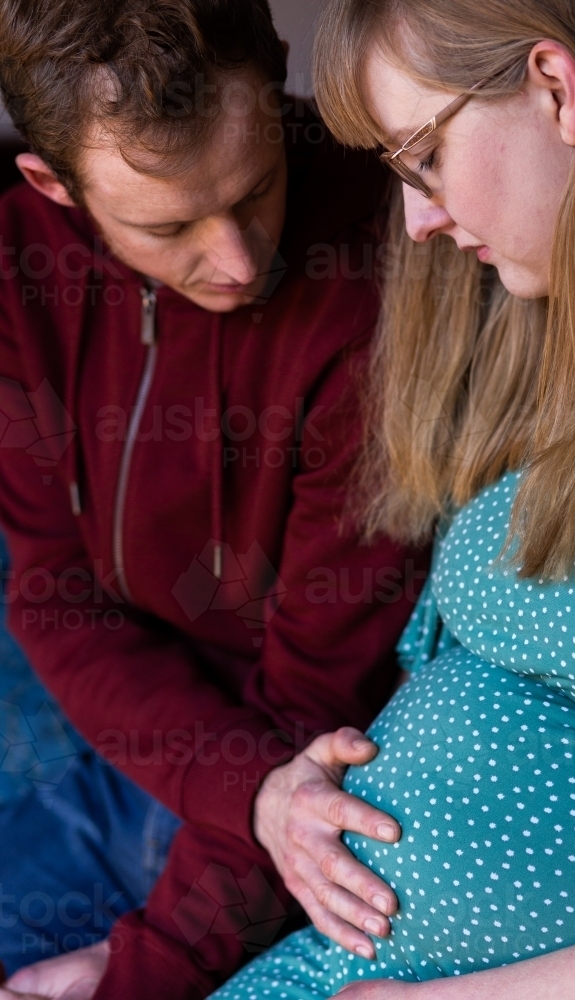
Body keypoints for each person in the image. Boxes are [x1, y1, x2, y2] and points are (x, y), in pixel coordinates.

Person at [200, 0, 575, 997]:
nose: (417, 221)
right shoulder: (553, 364)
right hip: (336, 963)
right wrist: (289, 794)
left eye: (424, 158)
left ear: (554, 89)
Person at [0, 1, 429, 997]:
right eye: (168, 226)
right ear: (51, 185)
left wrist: (140, 970)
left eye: (256, 187)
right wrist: (247, 792)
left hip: (302, 757)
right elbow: (52, 585)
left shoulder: (377, 271)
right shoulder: (21, 260)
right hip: (136, 729)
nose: (238, 261)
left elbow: (323, 716)